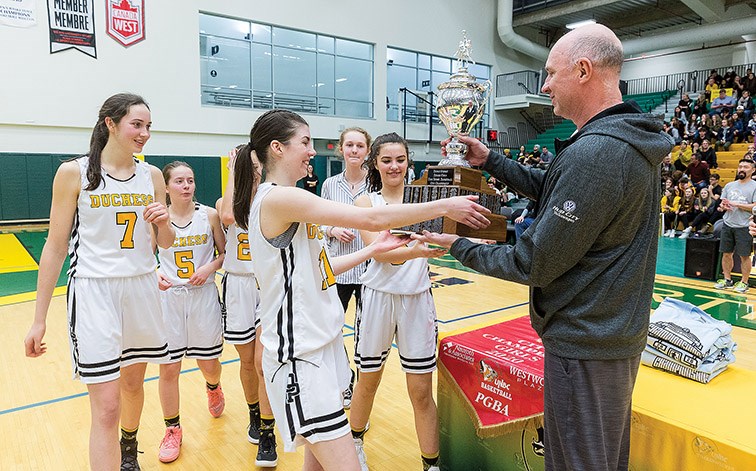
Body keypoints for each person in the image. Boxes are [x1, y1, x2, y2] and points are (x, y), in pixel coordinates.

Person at [414, 24, 673, 471]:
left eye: (551, 73)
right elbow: (555, 188)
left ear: (584, 70)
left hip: (586, 341)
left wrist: (459, 244)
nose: (545, 85)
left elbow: (530, 260)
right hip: (609, 333)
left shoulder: (597, 152)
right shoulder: (620, 140)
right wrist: (491, 161)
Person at [231, 109, 490, 470]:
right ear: (277, 148)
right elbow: (371, 218)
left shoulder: (289, 198)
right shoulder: (278, 198)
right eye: (305, 142)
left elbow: (319, 269)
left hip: (321, 347)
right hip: (299, 355)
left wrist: (371, 250)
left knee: (317, 463)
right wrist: (446, 205)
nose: (311, 150)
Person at [24, 93, 176, 470]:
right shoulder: (74, 173)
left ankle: (129, 447)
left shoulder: (152, 175)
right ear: (110, 123)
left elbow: (166, 244)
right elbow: (55, 247)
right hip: (94, 292)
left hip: (141, 287)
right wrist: (39, 318)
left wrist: (164, 222)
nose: (144, 134)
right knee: (106, 407)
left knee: (132, 386)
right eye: (136, 125)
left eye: (148, 127)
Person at [349, 132, 446, 471]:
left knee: (421, 390)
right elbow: (384, 256)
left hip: (417, 300)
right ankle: (355, 443)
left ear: (409, 162)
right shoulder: (366, 204)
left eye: (400, 159)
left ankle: (431, 464)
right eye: (386, 160)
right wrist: (420, 249)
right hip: (377, 299)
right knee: (368, 381)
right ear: (375, 163)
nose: (394, 166)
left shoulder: (423, 201)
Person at [155, 161, 226, 463]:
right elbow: (144, 258)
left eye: (191, 181)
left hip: (203, 295)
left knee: (208, 363)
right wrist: (154, 273)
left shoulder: (209, 215)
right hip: (169, 299)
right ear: (167, 186)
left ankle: (213, 387)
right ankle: (173, 429)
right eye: (180, 181)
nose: (187, 186)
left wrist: (209, 267)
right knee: (169, 368)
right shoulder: (158, 218)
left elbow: (225, 253)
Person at [217, 146, 279, 467]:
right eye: (249, 167)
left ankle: (268, 433)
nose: (256, 172)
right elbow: (228, 215)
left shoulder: (271, 199)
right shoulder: (225, 203)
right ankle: (254, 415)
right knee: (245, 361)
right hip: (238, 285)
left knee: (261, 359)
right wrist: (232, 172)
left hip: (265, 284)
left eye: (259, 166)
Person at [320, 127, 372, 408]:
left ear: (367, 150)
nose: (354, 150)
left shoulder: (375, 186)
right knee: (332, 328)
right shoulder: (329, 185)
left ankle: (363, 388)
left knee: (366, 333)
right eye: (349, 145)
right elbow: (319, 221)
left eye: (359, 145)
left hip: (369, 271)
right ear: (341, 149)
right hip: (338, 268)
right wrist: (333, 230)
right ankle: (344, 380)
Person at [714, 159, 756, 294]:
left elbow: (754, 206)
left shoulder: (754, 186)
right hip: (728, 223)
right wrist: (723, 206)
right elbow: (722, 205)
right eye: (740, 166)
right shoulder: (729, 185)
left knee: (744, 255)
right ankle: (727, 279)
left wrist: (736, 204)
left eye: (745, 167)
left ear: (753, 170)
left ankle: (744, 282)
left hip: (744, 226)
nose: (741, 169)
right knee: (726, 254)